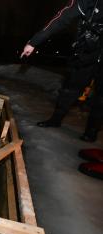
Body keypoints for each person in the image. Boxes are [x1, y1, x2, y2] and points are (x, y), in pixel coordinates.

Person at [21, 0, 103, 142]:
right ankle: (55, 119)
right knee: (70, 87)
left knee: (101, 96)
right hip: (88, 49)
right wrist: (34, 42)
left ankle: (92, 131)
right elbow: (61, 18)